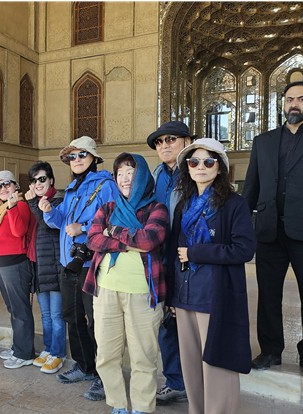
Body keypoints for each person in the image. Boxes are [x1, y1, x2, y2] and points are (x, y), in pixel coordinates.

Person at [243, 81, 303, 379]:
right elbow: (251, 188)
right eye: (289, 99)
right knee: (268, 296)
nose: (294, 104)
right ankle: (271, 350)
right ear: (283, 103)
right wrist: (241, 225)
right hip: (269, 230)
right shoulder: (263, 141)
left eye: (301, 99)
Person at [168, 139, 256, 413]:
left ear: (220, 168)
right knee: (191, 365)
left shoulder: (233, 204)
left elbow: (244, 249)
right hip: (185, 295)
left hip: (215, 296)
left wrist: (197, 253)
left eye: (208, 161)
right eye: (194, 162)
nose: (201, 167)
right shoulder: (184, 205)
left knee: (217, 363)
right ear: (187, 168)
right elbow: (173, 251)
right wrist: (171, 296)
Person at [83, 153, 168, 414]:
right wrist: (129, 240)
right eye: (120, 174)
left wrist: (112, 232)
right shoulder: (108, 208)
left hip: (142, 292)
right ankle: (118, 404)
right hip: (105, 290)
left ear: (142, 176)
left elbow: (148, 240)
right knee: (106, 354)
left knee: (143, 356)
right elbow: (92, 239)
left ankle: (142, 407)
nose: (125, 178)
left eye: (131, 172)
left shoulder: (156, 209)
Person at [40, 136, 118, 401]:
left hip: (91, 263)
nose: (76, 160)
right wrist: (48, 210)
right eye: (72, 156)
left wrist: (83, 228)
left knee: (97, 321)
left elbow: (114, 221)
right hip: (70, 263)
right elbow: (59, 222)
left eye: (82, 155)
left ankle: (104, 377)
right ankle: (85, 365)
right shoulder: (72, 188)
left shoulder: (106, 185)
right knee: (72, 316)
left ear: (94, 158)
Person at [146, 121, 194, 404]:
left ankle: (197, 382)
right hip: (161, 256)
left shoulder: (196, 169)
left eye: (171, 139)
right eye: (160, 141)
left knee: (190, 322)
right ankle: (176, 382)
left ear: (188, 141)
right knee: (167, 321)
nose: (164, 145)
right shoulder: (157, 174)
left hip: (188, 257)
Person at [0, 171, 35, 369]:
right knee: (12, 308)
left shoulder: (20, 205)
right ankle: (18, 346)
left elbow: (18, 231)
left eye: (7, 184)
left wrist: (12, 206)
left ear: (16, 186)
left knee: (20, 309)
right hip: (2, 263)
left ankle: (24, 353)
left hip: (16, 264)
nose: (3, 189)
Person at [24, 161, 66, 374]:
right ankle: (49, 349)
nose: (38, 183)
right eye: (34, 180)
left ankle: (58, 353)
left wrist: (33, 204)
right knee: (46, 315)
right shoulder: (33, 202)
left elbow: (47, 224)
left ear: (50, 180)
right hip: (40, 267)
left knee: (57, 316)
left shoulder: (58, 200)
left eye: (42, 179)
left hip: (55, 266)